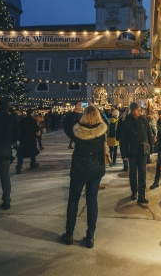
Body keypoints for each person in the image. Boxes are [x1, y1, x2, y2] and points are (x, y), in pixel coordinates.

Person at [61, 105, 109, 249]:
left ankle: (69, 234)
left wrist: (74, 111)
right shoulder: (102, 131)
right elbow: (108, 123)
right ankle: (90, 237)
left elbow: (67, 125)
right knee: (92, 201)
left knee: (73, 200)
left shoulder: (77, 131)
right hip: (95, 170)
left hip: (79, 170)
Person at [117, 102, 153, 205]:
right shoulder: (126, 122)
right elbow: (122, 140)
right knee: (133, 172)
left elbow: (149, 134)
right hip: (131, 151)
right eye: (137, 110)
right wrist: (124, 155)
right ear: (132, 111)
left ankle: (142, 195)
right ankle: (134, 191)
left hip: (142, 151)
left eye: (139, 110)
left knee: (142, 172)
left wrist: (151, 148)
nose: (139, 111)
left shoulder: (144, 120)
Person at [16, 108, 40, 174]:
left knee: (21, 152)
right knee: (32, 151)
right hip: (31, 138)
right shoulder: (33, 121)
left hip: (23, 138)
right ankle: (33, 164)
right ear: (32, 113)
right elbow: (35, 129)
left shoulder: (22, 121)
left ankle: (19, 167)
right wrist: (38, 127)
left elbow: (19, 129)